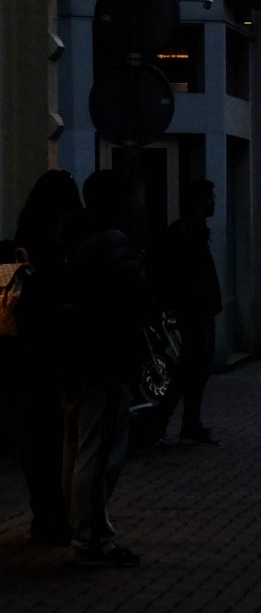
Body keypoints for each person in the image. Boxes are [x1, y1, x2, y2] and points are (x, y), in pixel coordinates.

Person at [58, 171, 151, 565]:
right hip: (105, 360)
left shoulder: (79, 240)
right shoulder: (114, 245)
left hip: (78, 360)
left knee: (79, 449)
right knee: (98, 455)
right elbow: (135, 301)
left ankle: (83, 528)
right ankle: (92, 539)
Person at [13, 171, 82, 544]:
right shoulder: (67, 245)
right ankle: (61, 511)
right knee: (63, 432)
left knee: (35, 432)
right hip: (60, 347)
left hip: (26, 349)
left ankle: (42, 511)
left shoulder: (23, 241)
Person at [147, 179, 222, 445]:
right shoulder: (185, 234)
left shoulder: (191, 232)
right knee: (191, 368)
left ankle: (177, 421)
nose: (214, 202)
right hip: (193, 312)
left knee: (194, 369)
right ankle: (167, 421)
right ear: (202, 201)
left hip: (199, 310)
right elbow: (180, 276)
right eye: (211, 197)